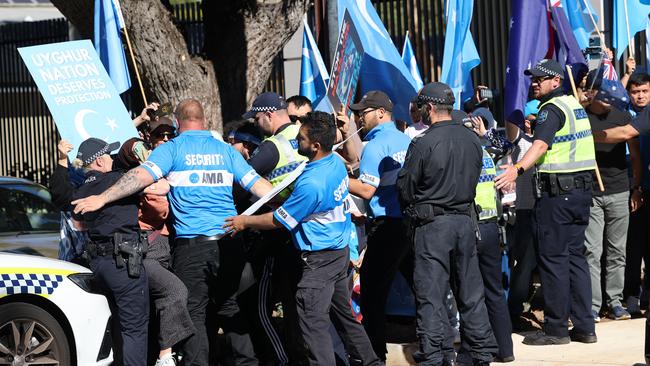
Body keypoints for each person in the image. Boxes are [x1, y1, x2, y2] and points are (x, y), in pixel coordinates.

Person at [72, 99, 273, 366]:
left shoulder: (174, 149)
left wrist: (102, 198)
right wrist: (295, 206)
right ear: (204, 121)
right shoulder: (226, 151)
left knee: (194, 313)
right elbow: (260, 187)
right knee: (229, 306)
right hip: (229, 242)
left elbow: (137, 178)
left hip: (193, 246)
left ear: (177, 122)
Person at [223, 111, 381, 366]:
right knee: (345, 318)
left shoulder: (312, 182)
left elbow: (278, 221)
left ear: (316, 146)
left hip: (318, 262)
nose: (297, 143)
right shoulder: (333, 164)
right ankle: (371, 362)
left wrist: (244, 221)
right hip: (337, 255)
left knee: (313, 328)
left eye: (301, 139)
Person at [495, 59, 597, 345]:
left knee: (553, 260)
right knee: (576, 259)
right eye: (534, 79)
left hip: (557, 196)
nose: (535, 83)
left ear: (556, 81)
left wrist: (517, 169)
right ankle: (585, 327)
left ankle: (556, 329)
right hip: (580, 194)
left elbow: (540, 146)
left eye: (541, 79)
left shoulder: (550, 110)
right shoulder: (574, 105)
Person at [396, 82, 497, 365]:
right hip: (465, 222)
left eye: (420, 108)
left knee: (431, 295)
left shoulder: (423, 142)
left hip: (432, 226)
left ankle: (435, 355)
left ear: (429, 108)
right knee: (471, 293)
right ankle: (478, 354)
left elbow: (406, 188)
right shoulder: (473, 141)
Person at [114, 136, 195, 366]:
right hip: (145, 250)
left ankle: (164, 353)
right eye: (160, 136)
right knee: (174, 291)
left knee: (158, 307)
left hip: (171, 247)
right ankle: (164, 356)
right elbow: (158, 209)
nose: (164, 140)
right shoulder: (133, 178)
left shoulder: (168, 170)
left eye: (170, 134)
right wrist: (158, 184)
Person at [346, 90, 413, 362]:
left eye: (365, 111)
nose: (360, 116)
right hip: (409, 223)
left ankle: (375, 355)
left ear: (382, 113)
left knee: (372, 293)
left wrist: (337, 175)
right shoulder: (405, 140)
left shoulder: (374, 145)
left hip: (387, 226)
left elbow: (365, 190)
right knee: (422, 286)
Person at [70, 138, 149, 366]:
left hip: (98, 264)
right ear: (101, 159)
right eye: (110, 156)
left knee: (115, 323)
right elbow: (161, 186)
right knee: (134, 328)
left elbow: (79, 225)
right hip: (124, 263)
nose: (112, 159)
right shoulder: (120, 180)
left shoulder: (80, 191)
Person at [582, 69, 641, 322]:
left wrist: (636, 187)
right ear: (592, 92)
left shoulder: (622, 116)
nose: (608, 98)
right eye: (603, 92)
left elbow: (635, 156)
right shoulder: (581, 117)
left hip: (619, 191)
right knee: (592, 251)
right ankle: (593, 305)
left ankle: (615, 301)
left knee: (617, 251)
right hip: (591, 194)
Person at [623, 72, 650, 315]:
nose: (640, 96)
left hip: (644, 189)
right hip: (625, 188)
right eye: (635, 92)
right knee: (632, 247)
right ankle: (631, 296)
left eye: (644, 91)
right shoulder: (624, 115)